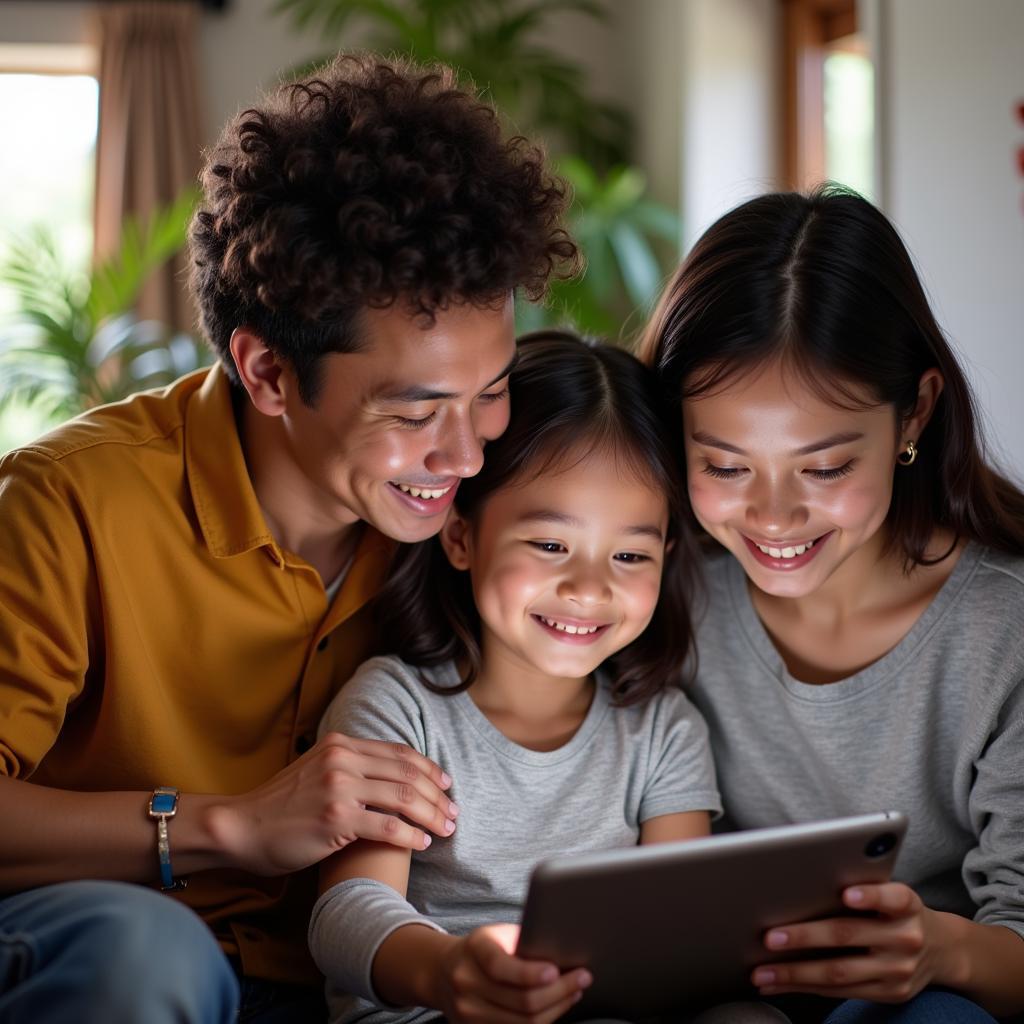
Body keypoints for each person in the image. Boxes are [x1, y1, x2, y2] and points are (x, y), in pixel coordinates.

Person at [0, 54, 577, 1023]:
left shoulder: (480, 519)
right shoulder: (70, 502)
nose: (468, 453)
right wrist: (224, 825)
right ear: (267, 373)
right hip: (106, 945)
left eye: (491, 393)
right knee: (151, 956)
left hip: (349, 972)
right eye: (417, 409)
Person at [309, 332, 795, 1024]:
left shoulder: (662, 730)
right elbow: (348, 913)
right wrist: (451, 971)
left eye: (630, 555)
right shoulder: (398, 708)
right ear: (461, 537)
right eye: (549, 544)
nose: (589, 587)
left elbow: (678, 935)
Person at [641, 185, 1024, 1024]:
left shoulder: (1004, 632)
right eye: (727, 466)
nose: (774, 519)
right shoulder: (661, 590)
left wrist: (940, 947)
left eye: (823, 469)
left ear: (914, 413)